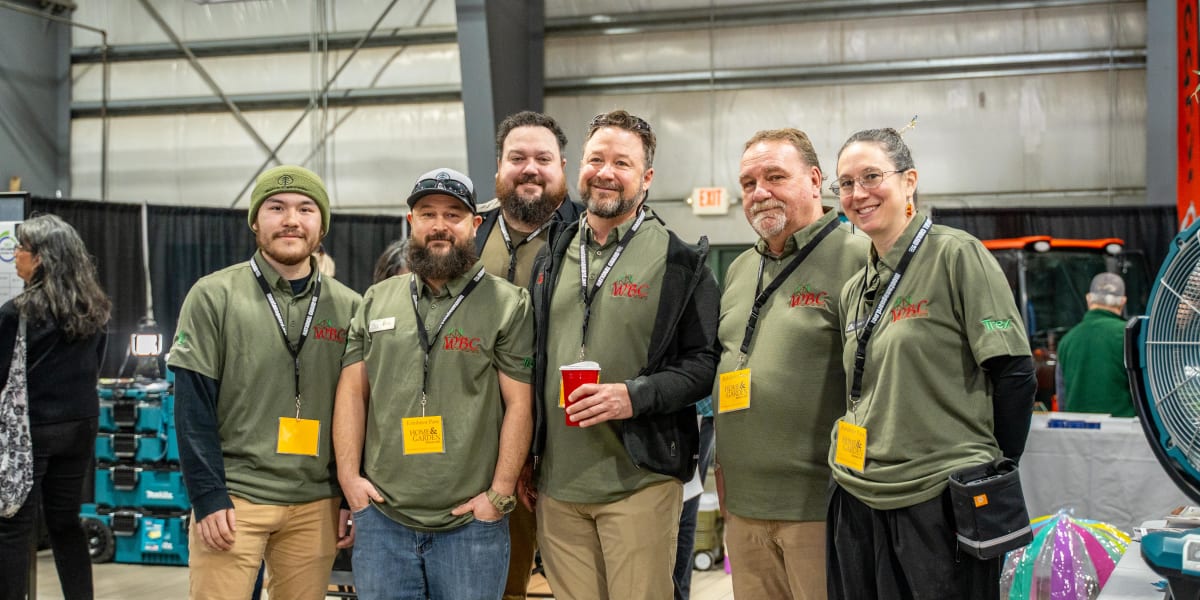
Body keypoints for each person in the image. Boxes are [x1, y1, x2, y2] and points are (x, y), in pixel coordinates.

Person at [825, 128, 1037, 599]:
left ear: (909, 181)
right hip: (859, 492)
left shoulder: (955, 254)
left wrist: (992, 470)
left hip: (938, 499)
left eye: (871, 176)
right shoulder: (854, 289)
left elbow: (1015, 373)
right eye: (845, 183)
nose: (858, 193)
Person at [526, 110, 720, 600]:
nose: (606, 172)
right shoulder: (554, 252)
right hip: (558, 487)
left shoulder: (681, 261)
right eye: (596, 159)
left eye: (622, 162)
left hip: (638, 484)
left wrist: (635, 396)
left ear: (647, 177)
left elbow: (704, 364)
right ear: (579, 168)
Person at [334, 167, 534, 600]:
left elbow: (520, 405)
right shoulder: (376, 301)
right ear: (411, 222)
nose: (440, 225)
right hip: (384, 521)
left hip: (469, 527)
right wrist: (350, 482)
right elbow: (352, 393)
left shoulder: (508, 304)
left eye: (453, 214)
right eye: (427, 214)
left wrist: (498, 495)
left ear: (475, 225)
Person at [168, 165, 361, 600]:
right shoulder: (213, 295)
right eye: (276, 208)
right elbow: (192, 406)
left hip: (316, 502)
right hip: (235, 499)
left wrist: (347, 497)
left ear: (321, 225)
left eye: (305, 209)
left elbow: (359, 410)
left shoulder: (350, 306)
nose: (291, 219)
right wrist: (207, 495)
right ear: (256, 220)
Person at [712, 128, 868, 599]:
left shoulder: (860, 259)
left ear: (816, 179)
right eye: (748, 183)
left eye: (775, 176)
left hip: (819, 509)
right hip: (742, 508)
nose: (760, 193)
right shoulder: (741, 270)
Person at [479, 110, 585, 600]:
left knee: (579, 580)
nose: (530, 169)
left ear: (562, 167)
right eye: (517, 157)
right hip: (479, 447)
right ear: (498, 166)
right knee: (499, 580)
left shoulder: (590, 238)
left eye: (543, 158)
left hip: (566, 444)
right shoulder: (467, 232)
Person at [0, 214, 110, 600]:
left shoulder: (17, 312)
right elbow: (96, 365)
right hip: (80, 427)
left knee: (13, 527)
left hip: (31, 433)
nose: (14, 257)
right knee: (65, 523)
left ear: (42, 258)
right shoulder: (93, 309)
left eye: (21, 250)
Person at [1056, 273, 1134, 416]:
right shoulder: (1131, 335)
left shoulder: (1066, 341)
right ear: (1123, 301)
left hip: (1077, 434)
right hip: (1123, 432)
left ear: (1088, 299)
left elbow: (1062, 399)